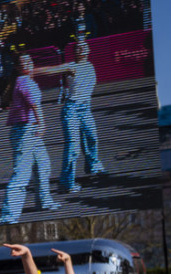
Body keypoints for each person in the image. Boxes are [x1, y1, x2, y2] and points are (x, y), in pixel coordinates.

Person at [0, 53, 61, 225]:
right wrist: (42, 124)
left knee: (43, 165)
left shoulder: (22, 81)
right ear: (18, 67)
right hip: (26, 131)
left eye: (29, 60)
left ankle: (44, 202)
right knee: (22, 174)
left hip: (27, 130)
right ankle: (8, 216)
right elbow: (34, 105)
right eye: (22, 62)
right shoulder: (25, 82)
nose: (27, 63)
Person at [58, 41, 104, 194]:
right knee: (73, 148)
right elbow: (56, 69)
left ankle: (93, 165)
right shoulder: (71, 67)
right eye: (78, 47)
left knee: (92, 138)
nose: (81, 48)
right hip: (72, 109)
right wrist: (34, 71)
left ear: (89, 50)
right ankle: (66, 182)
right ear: (75, 51)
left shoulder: (90, 66)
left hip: (85, 108)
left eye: (84, 46)